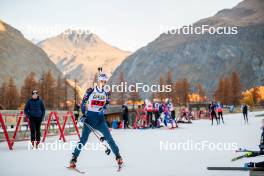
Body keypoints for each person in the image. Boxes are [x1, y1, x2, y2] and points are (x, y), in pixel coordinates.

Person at [69, 70, 123, 169]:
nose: (103, 83)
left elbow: (106, 103)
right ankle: (74, 158)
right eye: (102, 81)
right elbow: (84, 103)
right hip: (89, 119)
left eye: (105, 81)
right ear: (98, 81)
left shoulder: (106, 93)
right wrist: (84, 115)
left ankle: (118, 156)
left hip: (100, 120)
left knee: (109, 138)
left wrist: (103, 109)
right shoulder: (90, 91)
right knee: (83, 140)